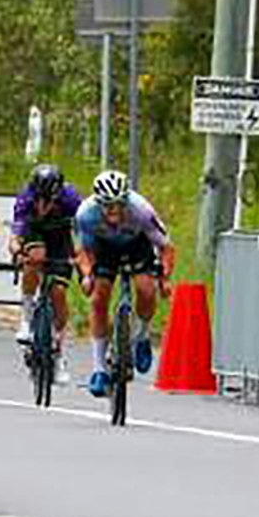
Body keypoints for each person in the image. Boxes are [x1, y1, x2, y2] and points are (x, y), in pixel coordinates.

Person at [75, 170, 176, 398]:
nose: (114, 211)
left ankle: (141, 336)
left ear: (126, 201)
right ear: (98, 204)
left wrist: (165, 278)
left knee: (146, 289)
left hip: (137, 245)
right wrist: (86, 275)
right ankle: (99, 369)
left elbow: (166, 247)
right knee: (99, 299)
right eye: (108, 206)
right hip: (104, 248)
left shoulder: (141, 211)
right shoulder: (85, 215)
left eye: (119, 205)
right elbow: (83, 251)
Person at [8, 163, 81, 382]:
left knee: (59, 292)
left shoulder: (71, 199)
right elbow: (15, 235)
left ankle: (58, 354)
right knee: (34, 259)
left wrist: (80, 256)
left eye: (47, 200)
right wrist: (17, 251)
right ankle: (26, 317)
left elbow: (83, 230)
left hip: (60, 236)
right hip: (35, 231)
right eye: (38, 199)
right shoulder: (25, 198)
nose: (42, 205)